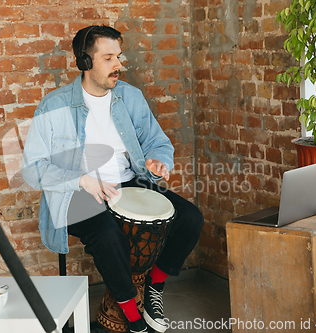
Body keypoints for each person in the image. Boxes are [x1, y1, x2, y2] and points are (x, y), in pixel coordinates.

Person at [22, 25, 204, 333]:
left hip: (129, 181)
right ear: (85, 62)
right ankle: (133, 318)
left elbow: (157, 141)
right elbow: (32, 168)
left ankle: (154, 287)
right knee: (107, 234)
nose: (118, 65)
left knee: (190, 218)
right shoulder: (54, 105)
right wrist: (81, 180)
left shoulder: (130, 97)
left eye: (118, 56)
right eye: (108, 58)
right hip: (76, 193)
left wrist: (159, 162)